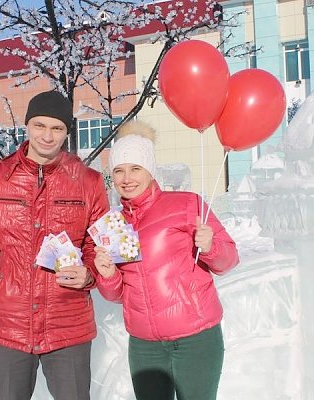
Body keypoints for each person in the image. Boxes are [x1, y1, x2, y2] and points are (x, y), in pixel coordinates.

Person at [0, 90, 109, 400]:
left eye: (57, 128)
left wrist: (88, 275)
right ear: (27, 126)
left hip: (67, 324)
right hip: (8, 322)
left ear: (67, 131)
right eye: (39, 125)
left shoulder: (89, 182)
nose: (47, 136)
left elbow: (99, 246)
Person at [93, 120, 239, 400]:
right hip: (144, 346)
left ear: (150, 170)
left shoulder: (186, 204)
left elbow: (228, 261)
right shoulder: (113, 224)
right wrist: (107, 274)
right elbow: (116, 295)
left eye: (135, 168)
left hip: (195, 339)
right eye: (119, 171)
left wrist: (210, 247)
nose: (127, 178)